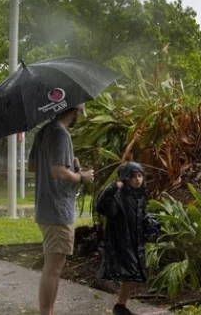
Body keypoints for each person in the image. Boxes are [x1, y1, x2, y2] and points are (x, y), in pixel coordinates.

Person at [30, 104, 94, 315]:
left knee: (54, 265)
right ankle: (46, 312)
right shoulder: (60, 133)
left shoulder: (44, 132)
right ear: (73, 111)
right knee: (54, 267)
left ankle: (48, 311)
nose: (79, 116)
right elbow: (58, 172)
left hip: (45, 206)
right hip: (57, 209)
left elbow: (33, 166)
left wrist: (70, 164)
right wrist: (82, 176)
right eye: (80, 111)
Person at [96, 162, 159, 315]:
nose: (137, 180)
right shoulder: (119, 196)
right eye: (133, 176)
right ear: (125, 178)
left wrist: (149, 223)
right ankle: (120, 306)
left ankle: (121, 306)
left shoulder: (139, 195)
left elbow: (139, 215)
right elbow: (102, 206)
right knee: (130, 273)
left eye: (139, 176)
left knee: (132, 274)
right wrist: (113, 187)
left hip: (134, 241)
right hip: (122, 241)